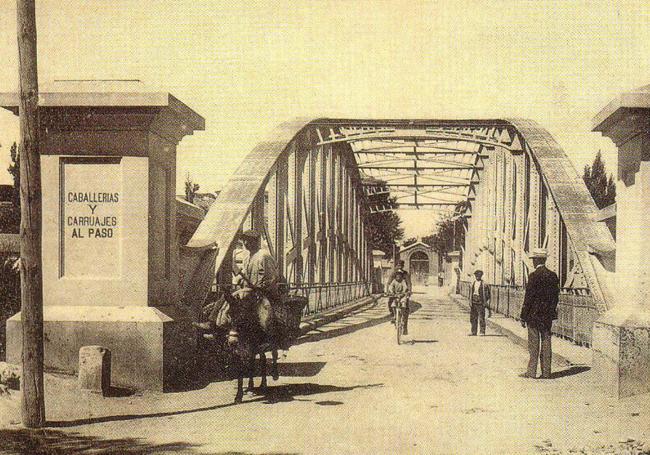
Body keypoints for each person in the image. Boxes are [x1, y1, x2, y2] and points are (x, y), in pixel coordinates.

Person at [519, 248, 560, 379]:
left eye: (533, 259)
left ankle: (531, 372)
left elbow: (529, 298)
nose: (532, 262)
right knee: (547, 343)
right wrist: (551, 311)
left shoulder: (533, 276)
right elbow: (555, 297)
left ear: (537, 260)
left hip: (534, 315)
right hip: (547, 316)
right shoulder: (553, 276)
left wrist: (523, 316)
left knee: (533, 344)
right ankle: (546, 373)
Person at [468, 269, 491, 336]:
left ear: (481, 276)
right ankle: (473, 332)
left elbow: (488, 294)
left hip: (480, 302)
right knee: (473, 318)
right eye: (476, 275)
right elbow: (470, 293)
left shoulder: (484, 284)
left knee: (481, 318)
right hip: (473, 301)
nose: (477, 277)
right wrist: (470, 301)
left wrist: (485, 301)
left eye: (479, 275)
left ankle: (482, 331)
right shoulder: (473, 283)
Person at [387, 271, 410, 335]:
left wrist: (405, 292)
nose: (398, 278)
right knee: (393, 305)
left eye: (400, 276)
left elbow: (405, 287)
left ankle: (402, 315)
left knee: (404, 304)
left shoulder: (403, 281)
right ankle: (394, 315)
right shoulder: (394, 281)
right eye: (397, 276)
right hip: (395, 295)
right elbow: (391, 286)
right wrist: (391, 292)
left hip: (402, 295)